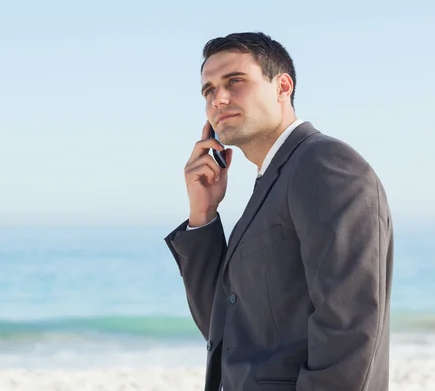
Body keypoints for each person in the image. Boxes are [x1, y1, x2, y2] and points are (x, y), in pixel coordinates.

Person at [164, 32, 394, 391]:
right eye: (208, 90)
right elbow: (226, 329)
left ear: (282, 86)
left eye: (234, 81)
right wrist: (203, 215)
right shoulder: (272, 181)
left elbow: (349, 328)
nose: (218, 99)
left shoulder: (324, 164)